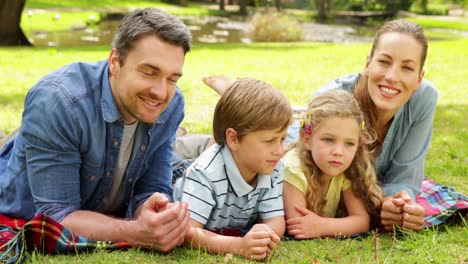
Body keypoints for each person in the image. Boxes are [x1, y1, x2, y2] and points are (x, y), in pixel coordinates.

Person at [191, 19, 438, 231]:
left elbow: (406, 174)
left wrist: (400, 202)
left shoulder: (424, 98)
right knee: (240, 148)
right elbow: (284, 153)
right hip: (283, 139)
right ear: (367, 64)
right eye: (384, 62)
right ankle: (231, 98)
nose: (393, 76)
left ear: (420, 77)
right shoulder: (333, 98)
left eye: (407, 67)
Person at [0, 8, 192, 252]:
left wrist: (154, 212)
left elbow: (152, 188)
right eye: (149, 72)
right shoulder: (58, 102)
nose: (161, 92)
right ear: (114, 62)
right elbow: (56, 216)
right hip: (22, 189)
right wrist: (136, 231)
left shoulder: (172, 104)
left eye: (172, 78)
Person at [173, 78, 292, 260]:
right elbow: (189, 232)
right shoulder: (204, 173)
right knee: (171, 150)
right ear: (234, 139)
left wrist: (265, 235)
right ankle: (177, 132)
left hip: (226, 156)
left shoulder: (272, 166)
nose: (280, 150)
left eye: (282, 139)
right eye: (270, 141)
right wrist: (239, 246)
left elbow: (275, 220)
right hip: (176, 176)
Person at [282, 90, 382, 239]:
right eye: (329, 140)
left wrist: (321, 226)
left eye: (349, 143)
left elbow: (362, 222)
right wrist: (336, 226)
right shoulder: (293, 168)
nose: (338, 152)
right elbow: (298, 226)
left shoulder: (345, 168)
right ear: (307, 139)